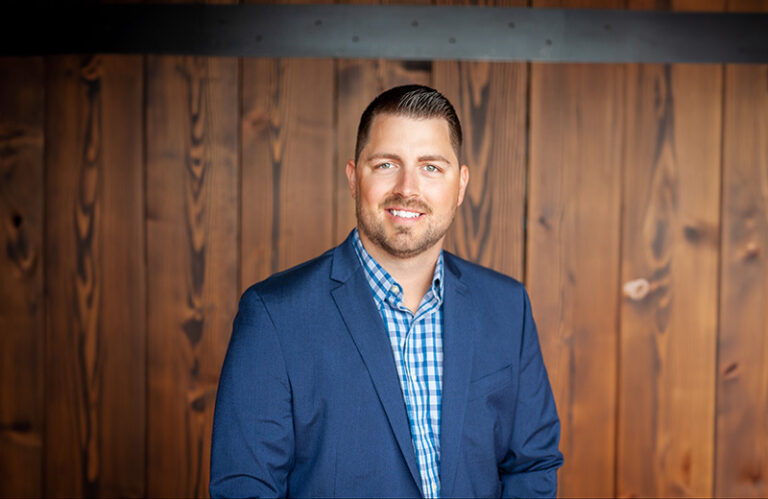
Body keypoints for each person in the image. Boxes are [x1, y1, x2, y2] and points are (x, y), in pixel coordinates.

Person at [209, 85, 563, 498]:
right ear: (353, 177)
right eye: (386, 165)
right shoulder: (274, 316)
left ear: (461, 184)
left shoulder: (507, 307)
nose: (407, 188)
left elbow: (533, 465)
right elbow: (245, 489)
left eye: (431, 167)